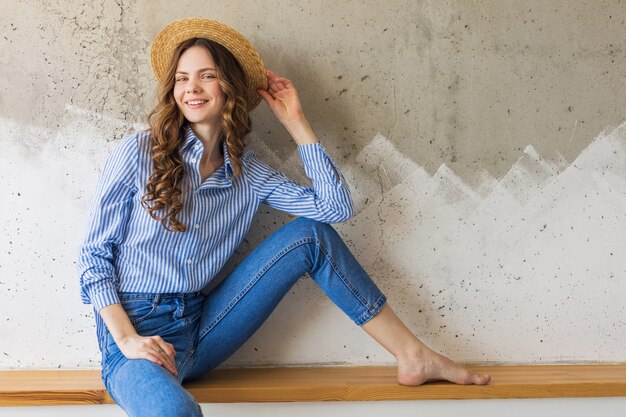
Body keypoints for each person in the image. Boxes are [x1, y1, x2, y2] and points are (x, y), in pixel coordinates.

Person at [77, 18, 490, 417]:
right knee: (174, 411)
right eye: (182, 78)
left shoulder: (248, 172)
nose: (192, 88)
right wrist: (128, 340)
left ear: (229, 87)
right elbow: (94, 257)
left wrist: (296, 123)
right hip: (133, 338)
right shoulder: (138, 153)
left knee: (311, 235)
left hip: (202, 330)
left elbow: (335, 209)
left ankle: (413, 355)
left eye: (206, 75)